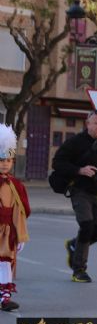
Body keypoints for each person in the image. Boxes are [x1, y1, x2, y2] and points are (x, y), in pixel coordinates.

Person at [52, 111, 97, 283]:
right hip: (80, 191)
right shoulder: (75, 142)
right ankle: (79, 270)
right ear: (88, 124)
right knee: (86, 226)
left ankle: (73, 245)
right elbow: (58, 163)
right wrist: (80, 170)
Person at [0, 125, 30, 311]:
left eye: (9, 160)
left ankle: (5, 296)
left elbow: (21, 211)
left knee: (5, 261)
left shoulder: (16, 185)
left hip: (8, 230)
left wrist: (21, 235)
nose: (5, 163)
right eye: (1, 160)